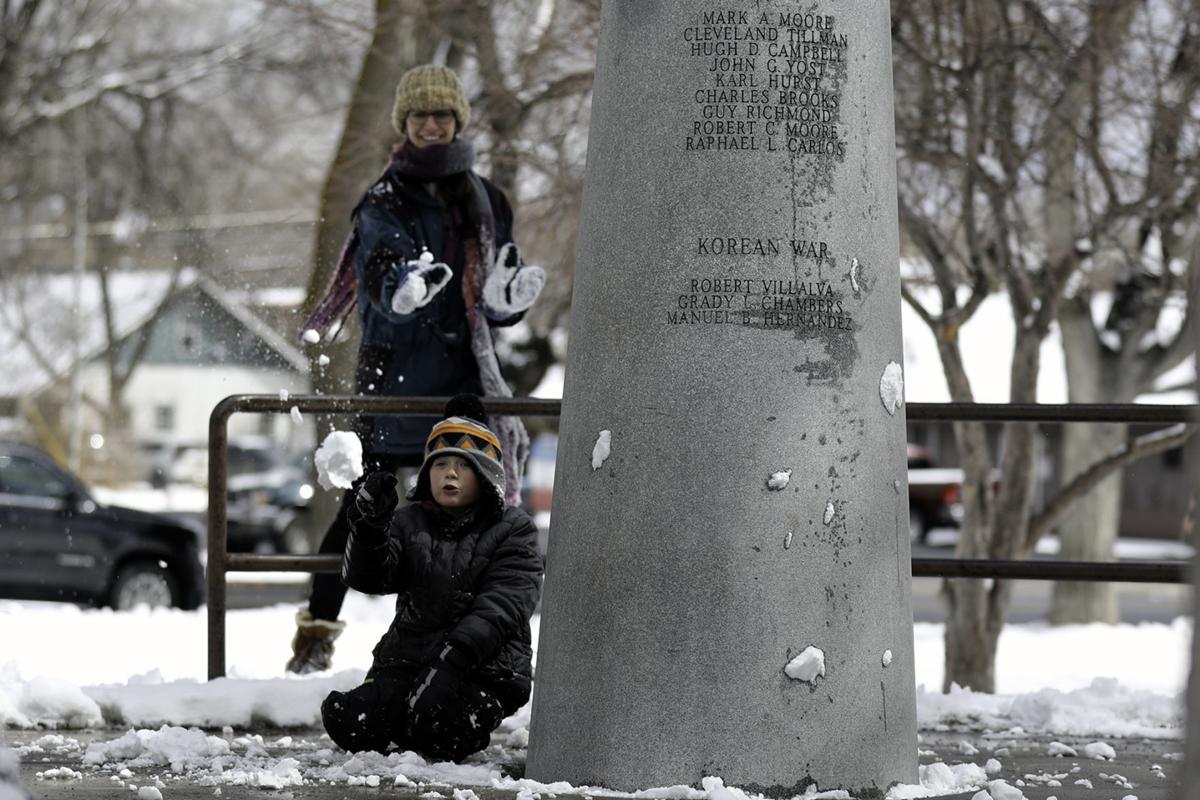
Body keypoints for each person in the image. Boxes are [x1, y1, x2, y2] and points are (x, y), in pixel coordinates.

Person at [289, 64, 544, 672]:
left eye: (442, 115)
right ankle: (317, 635)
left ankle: (460, 645)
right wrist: (400, 288)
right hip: (391, 377)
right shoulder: (382, 198)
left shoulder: (486, 199)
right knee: (365, 506)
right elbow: (379, 274)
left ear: (458, 121)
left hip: (461, 379)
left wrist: (507, 304)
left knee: (468, 515)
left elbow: (496, 284)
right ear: (403, 124)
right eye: (419, 116)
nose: (431, 125)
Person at [320, 394, 542, 762]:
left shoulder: (513, 529)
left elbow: (503, 608)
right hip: (408, 661)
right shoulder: (410, 521)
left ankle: (426, 725)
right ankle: (400, 719)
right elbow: (369, 578)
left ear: (486, 474)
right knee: (352, 722)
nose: (450, 474)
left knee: (440, 732)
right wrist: (369, 526)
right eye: (440, 464)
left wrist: (449, 665)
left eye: (462, 465)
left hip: (485, 669)